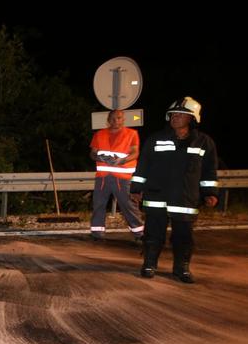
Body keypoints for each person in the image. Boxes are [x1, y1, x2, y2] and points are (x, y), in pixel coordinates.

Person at [129, 97, 218, 283]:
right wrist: (136, 188)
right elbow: (143, 165)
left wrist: (210, 193)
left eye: (181, 115)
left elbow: (209, 171)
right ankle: (149, 264)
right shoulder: (155, 139)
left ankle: (181, 269)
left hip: (185, 198)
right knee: (153, 234)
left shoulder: (204, 143)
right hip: (156, 195)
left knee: (184, 236)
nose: (175, 117)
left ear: (192, 119)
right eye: (173, 114)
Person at [89, 109, 144, 240]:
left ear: (123, 119)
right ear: (108, 120)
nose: (116, 121)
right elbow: (92, 153)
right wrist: (100, 157)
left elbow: (135, 153)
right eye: (113, 118)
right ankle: (97, 233)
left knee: (128, 205)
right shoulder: (99, 134)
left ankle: (139, 232)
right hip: (103, 177)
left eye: (119, 118)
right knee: (98, 204)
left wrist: (122, 160)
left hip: (123, 178)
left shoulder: (132, 133)